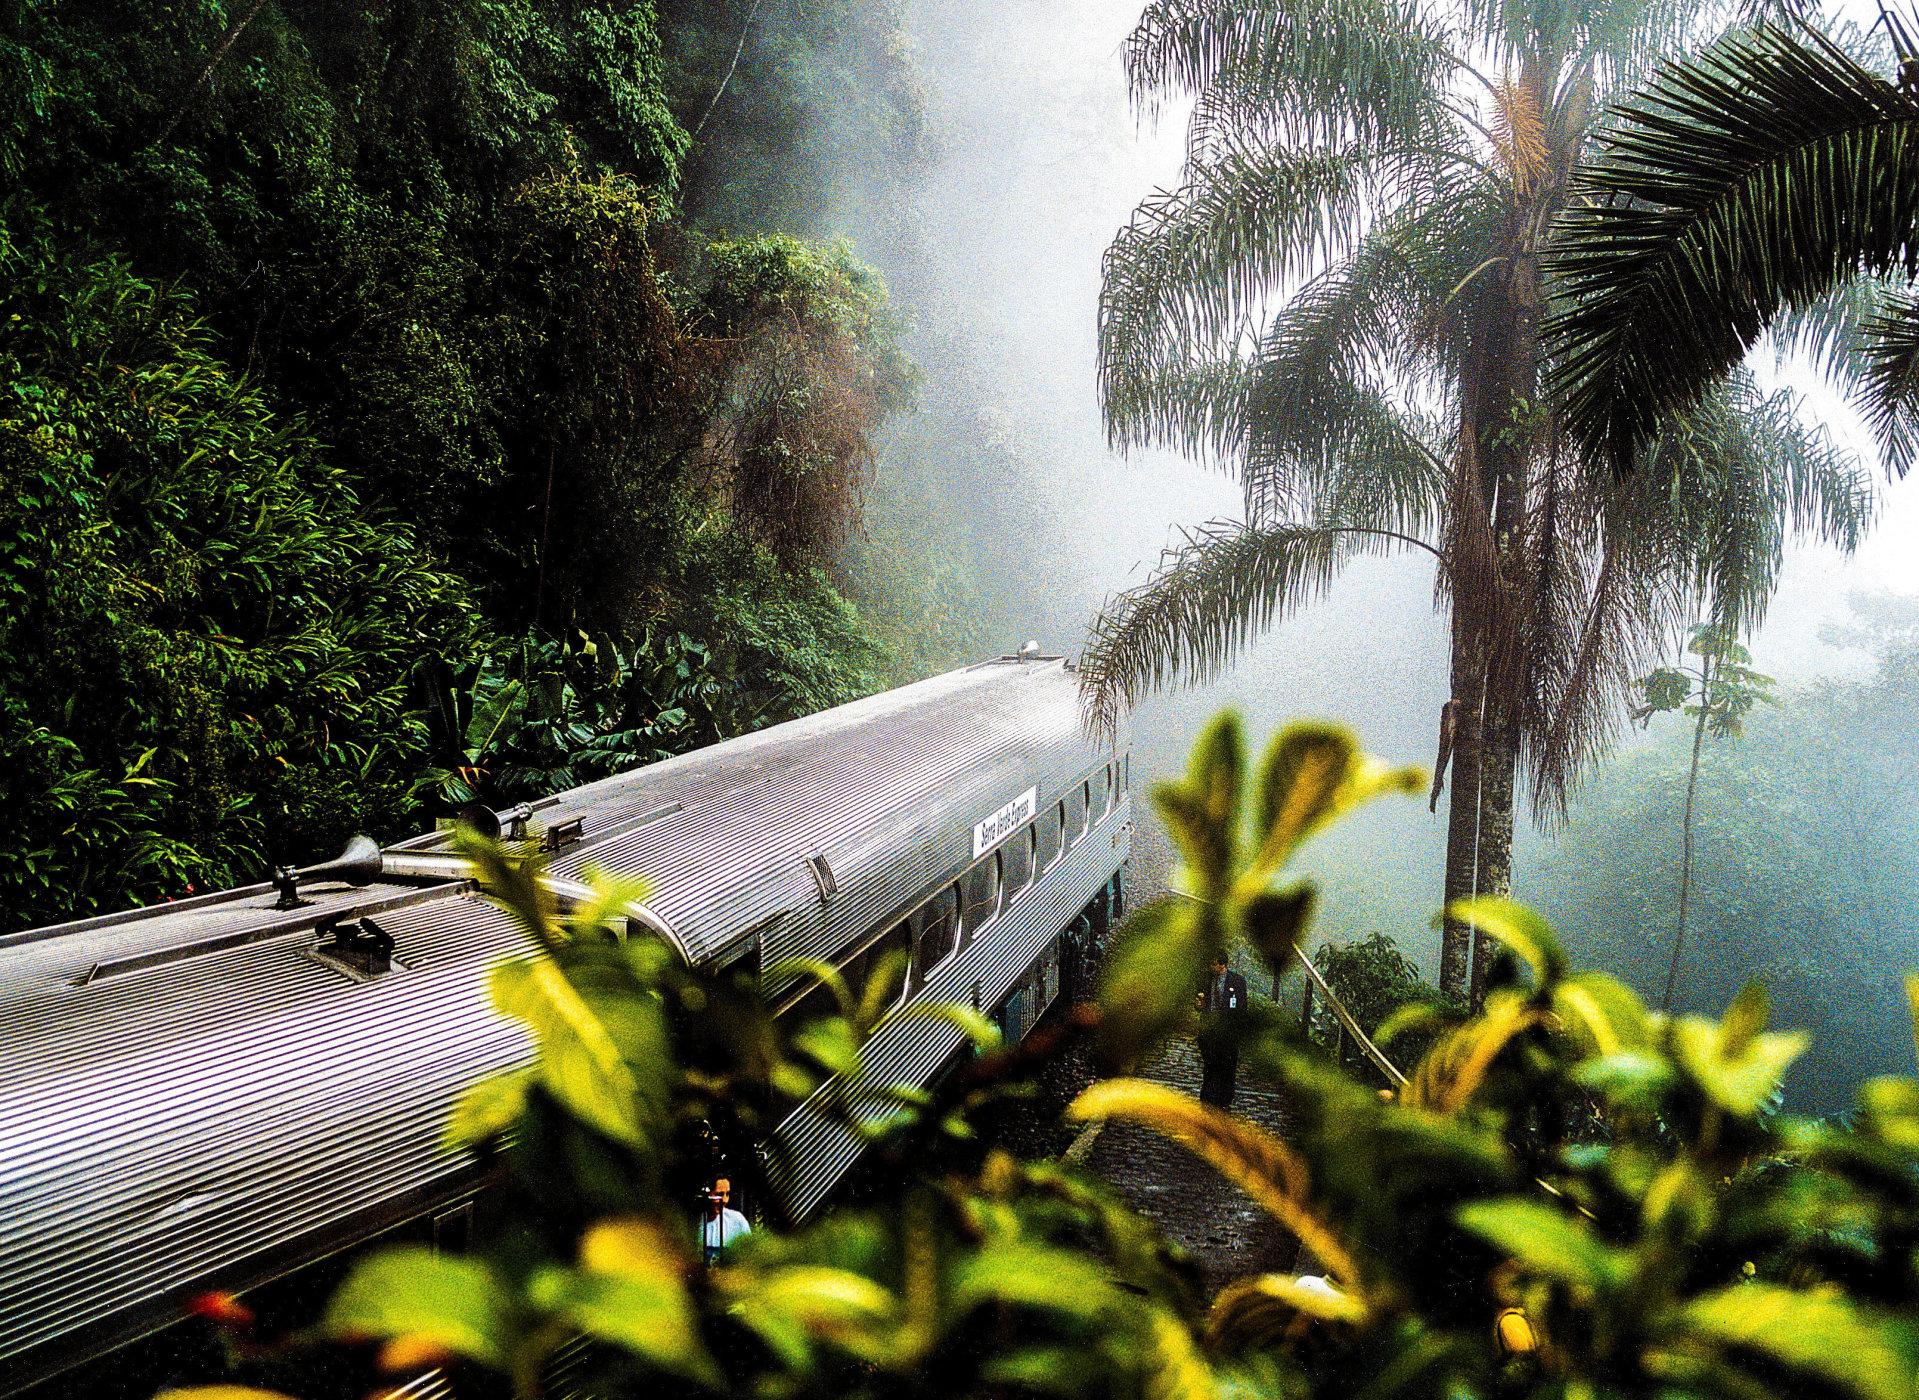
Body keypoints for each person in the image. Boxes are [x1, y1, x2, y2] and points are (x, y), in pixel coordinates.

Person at [1196, 956, 1248, 1107]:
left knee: (1227, 1065)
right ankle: (1207, 1096)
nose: (1211, 967)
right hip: (1209, 1029)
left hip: (1227, 1031)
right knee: (1210, 1064)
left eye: (1214, 964)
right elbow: (1200, 1004)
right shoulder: (1207, 980)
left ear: (1222, 965)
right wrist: (1199, 1004)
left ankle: (1224, 1098)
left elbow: (1242, 1008)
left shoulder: (1237, 981)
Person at [699, 1177, 751, 1264]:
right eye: (719, 1194)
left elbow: (749, 1259)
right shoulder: (691, 1222)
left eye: (727, 1194)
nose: (724, 1200)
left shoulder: (737, 1221)